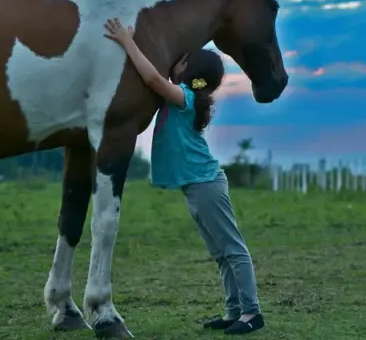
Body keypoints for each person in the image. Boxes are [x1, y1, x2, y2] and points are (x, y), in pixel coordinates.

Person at [102, 18, 265, 335]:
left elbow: (151, 77)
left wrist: (127, 41)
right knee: (220, 254)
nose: (177, 60)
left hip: (205, 185)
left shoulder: (185, 97)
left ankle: (252, 313)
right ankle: (234, 312)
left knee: (233, 249)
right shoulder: (185, 96)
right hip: (197, 187)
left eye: (184, 58)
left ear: (191, 72)